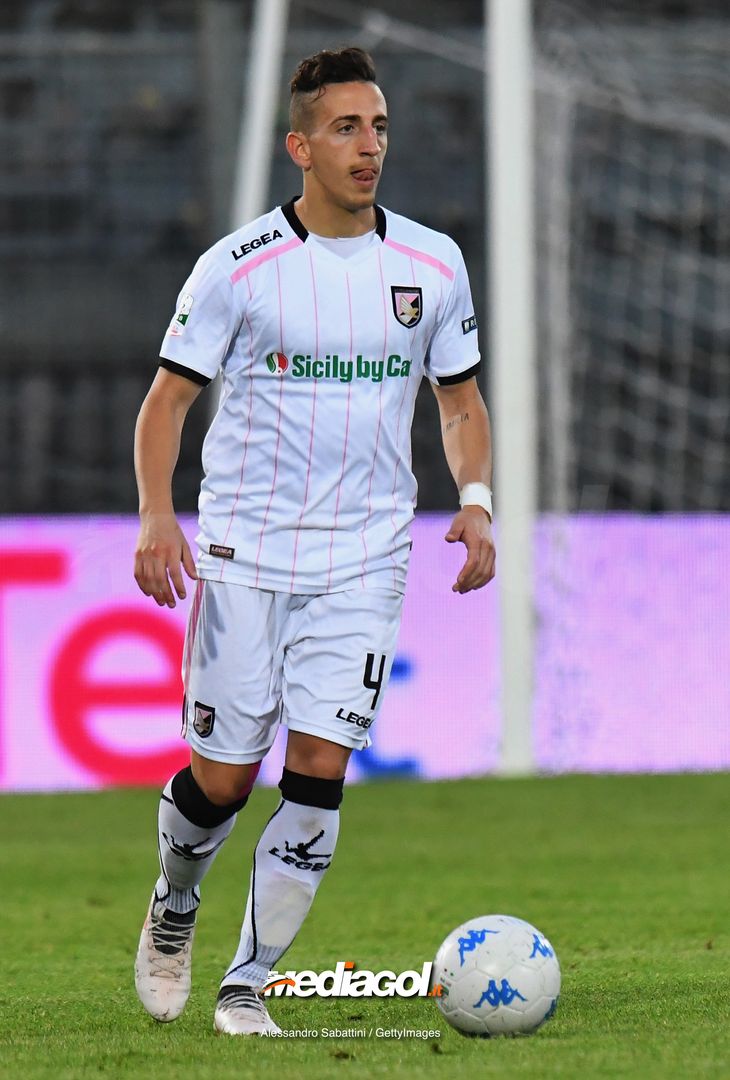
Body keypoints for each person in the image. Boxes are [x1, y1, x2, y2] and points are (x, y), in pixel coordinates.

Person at [132, 46, 495, 1037]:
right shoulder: (238, 267)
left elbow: (457, 399)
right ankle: (174, 907)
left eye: (377, 127)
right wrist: (158, 515)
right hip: (246, 554)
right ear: (299, 145)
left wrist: (474, 496)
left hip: (366, 560)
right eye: (345, 128)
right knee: (220, 780)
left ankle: (246, 981)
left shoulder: (430, 263)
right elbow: (167, 402)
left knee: (321, 770)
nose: (367, 146)